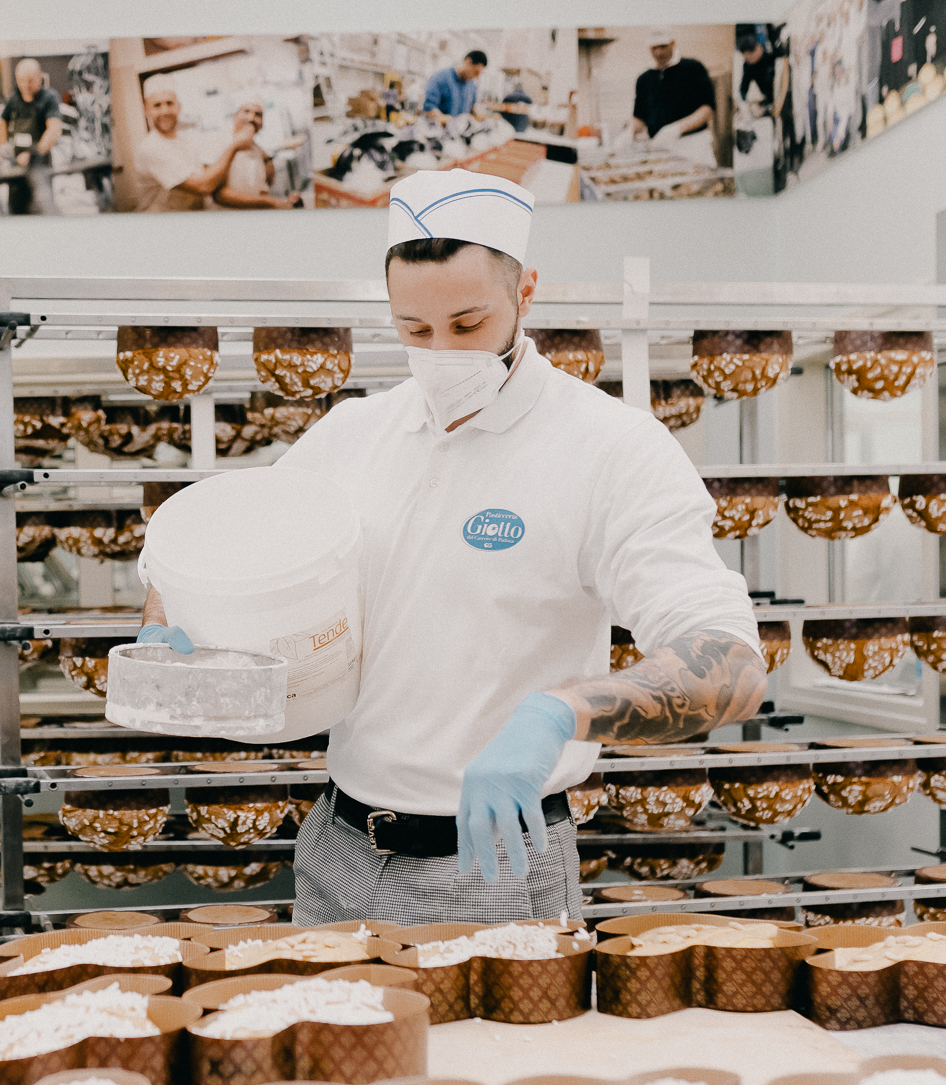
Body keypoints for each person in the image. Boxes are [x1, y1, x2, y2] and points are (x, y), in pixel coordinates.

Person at [138, 169, 764, 926]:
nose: (441, 352)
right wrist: (170, 613)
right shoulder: (351, 436)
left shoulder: (610, 451)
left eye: (467, 326)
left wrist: (559, 714)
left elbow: (730, 666)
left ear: (526, 292)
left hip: (493, 864)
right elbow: (223, 554)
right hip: (337, 851)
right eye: (414, 330)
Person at [128, 74, 259, 212]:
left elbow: (212, 164)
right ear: (146, 110)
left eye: (169, 103)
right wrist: (235, 145)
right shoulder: (151, 148)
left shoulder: (187, 139)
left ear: (178, 107)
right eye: (157, 105)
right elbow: (204, 186)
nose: (165, 111)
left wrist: (263, 155)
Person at [628, 30, 717, 163]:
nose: (658, 52)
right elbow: (640, 117)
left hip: (694, 146)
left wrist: (676, 129)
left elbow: (706, 110)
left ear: (673, 43)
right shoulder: (644, 79)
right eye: (654, 48)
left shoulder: (693, 68)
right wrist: (628, 133)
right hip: (662, 149)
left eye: (663, 46)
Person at [0, 57, 64, 216]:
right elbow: (2, 123)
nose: (25, 85)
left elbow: (54, 130)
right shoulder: (14, 99)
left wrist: (33, 153)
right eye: (21, 81)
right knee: (16, 209)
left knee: (41, 208)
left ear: (40, 78)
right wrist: (2, 145)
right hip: (17, 164)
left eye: (29, 81)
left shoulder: (49, 99)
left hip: (39, 165)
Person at [212, 100, 295, 209]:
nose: (251, 118)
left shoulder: (258, 151)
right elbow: (219, 195)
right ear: (234, 117)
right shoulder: (220, 143)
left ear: (262, 124)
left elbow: (261, 192)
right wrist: (272, 202)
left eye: (258, 114)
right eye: (246, 111)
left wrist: (286, 201)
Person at [421, 51, 493, 123]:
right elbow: (429, 109)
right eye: (476, 72)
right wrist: (448, 122)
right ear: (468, 62)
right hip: (439, 131)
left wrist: (485, 118)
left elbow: (474, 106)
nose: (477, 77)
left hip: (461, 131)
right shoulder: (440, 78)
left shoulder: (471, 85)